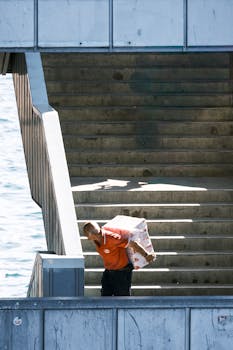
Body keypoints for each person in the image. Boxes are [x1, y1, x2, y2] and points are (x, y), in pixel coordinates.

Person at [83, 221, 156, 296]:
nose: (87, 238)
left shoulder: (112, 238)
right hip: (109, 272)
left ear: (92, 234)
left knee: (122, 300)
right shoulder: (96, 240)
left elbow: (133, 244)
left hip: (121, 273)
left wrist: (146, 255)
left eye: (86, 234)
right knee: (105, 298)